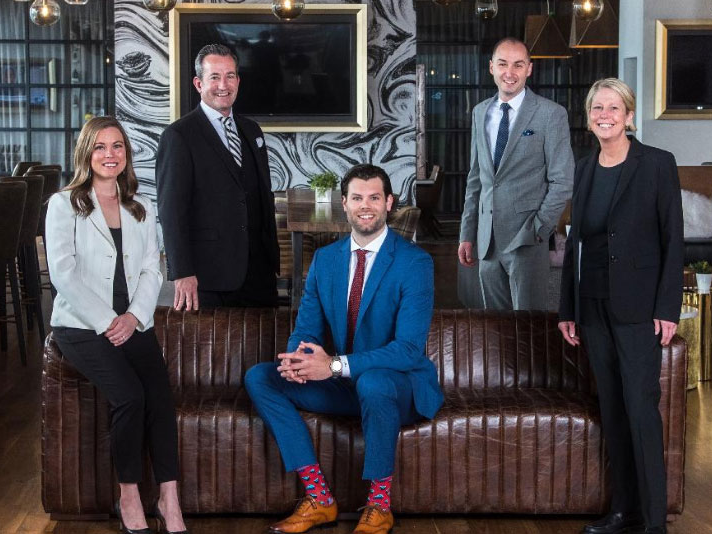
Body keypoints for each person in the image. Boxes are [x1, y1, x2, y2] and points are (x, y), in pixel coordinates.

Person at [244, 164, 441, 534]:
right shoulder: (326, 260)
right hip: (346, 387)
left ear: (389, 203)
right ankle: (319, 498)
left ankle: (379, 506)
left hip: (399, 389)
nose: (365, 206)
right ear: (344, 204)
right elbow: (307, 328)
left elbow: (408, 350)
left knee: (374, 382)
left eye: (374, 197)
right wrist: (297, 361)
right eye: (357, 198)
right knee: (261, 377)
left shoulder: (415, 263)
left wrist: (333, 365)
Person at [46, 117, 187, 534]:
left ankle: (169, 499)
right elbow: (63, 274)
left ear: (126, 153)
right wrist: (110, 321)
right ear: (86, 154)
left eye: (118, 146)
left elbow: (152, 269)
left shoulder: (140, 206)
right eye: (100, 147)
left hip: (133, 320)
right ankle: (128, 495)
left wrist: (134, 317)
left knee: (160, 398)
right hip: (81, 325)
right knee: (129, 396)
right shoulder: (64, 204)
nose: (110, 155)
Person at [557, 78, 683, 534]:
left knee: (641, 411)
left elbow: (673, 240)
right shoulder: (585, 168)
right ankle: (622, 512)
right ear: (589, 118)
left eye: (613, 108)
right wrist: (568, 308)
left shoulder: (657, 164)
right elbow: (576, 245)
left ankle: (653, 522)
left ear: (629, 116)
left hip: (639, 309)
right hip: (592, 308)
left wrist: (667, 307)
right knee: (612, 410)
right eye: (597, 108)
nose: (604, 115)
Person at [156, 43, 280, 310]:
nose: (223, 85)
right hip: (209, 275)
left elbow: (260, 195)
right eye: (214, 77)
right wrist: (182, 272)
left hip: (259, 274)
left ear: (238, 81)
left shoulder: (252, 130)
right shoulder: (178, 136)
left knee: (266, 338)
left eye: (230, 76)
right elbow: (171, 211)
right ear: (198, 83)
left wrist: (272, 259)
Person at [458, 37, 574, 311]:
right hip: (486, 242)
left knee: (529, 327)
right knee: (495, 328)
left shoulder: (551, 114)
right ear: (491, 67)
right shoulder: (480, 112)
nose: (509, 72)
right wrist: (467, 233)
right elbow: (476, 179)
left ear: (529, 69)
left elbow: (563, 180)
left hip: (527, 239)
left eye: (518, 65)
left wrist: (539, 229)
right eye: (503, 64)